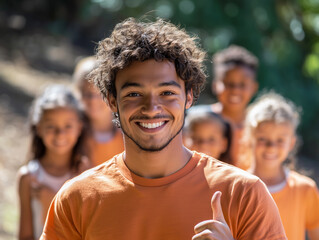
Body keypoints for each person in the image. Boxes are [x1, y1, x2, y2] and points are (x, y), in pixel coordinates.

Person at [40, 18, 287, 240]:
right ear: (112, 101)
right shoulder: (77, 199)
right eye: (134, 93)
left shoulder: (243, 195)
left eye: (167, 93)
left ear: (189, 97)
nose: (151, 107)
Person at [17, 84, 90, 240]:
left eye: (68, 126)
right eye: (51, 126)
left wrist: (52, 201)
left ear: (79, 127)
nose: (60, 134)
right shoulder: (28, 177)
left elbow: (87, 230)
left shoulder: (84, 172)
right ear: (39, 128)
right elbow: (25, 236)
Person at [244, 92, 319, 240]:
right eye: (263, 139)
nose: (271, 147)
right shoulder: (235, 186)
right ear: (250, 138)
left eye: (280, 140)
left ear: (291, 143)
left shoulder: (305, 189)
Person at [189, 45, 258, 169]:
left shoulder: (258, 126)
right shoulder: (196, 121)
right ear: (215, 85)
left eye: (242, 84)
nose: (235, 90)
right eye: (228, 83)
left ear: (254, 87)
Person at [73, 56, 124, 166]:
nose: (93, 100)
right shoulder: (72, 133)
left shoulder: (127, 133)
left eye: (100, 94)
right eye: (87, 93)